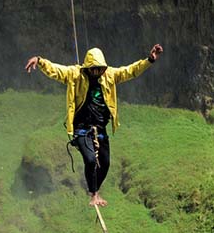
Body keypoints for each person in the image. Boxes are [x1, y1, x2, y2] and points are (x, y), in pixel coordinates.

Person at [24, 44, 164, 207]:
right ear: (88, 68)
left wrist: (149, 60)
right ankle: (94, 194)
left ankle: (94, 189)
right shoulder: (75, 74)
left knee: (105, 163)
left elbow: (130, 71)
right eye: (94, 69)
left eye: (100, 69)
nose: (97, 72)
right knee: (90, 160)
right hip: (82, 128)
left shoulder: (110, 75)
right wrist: (40, 61)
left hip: (100, 129)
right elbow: (57, 70)